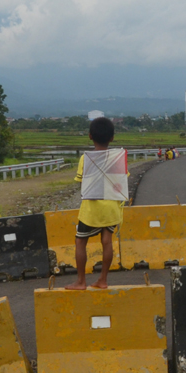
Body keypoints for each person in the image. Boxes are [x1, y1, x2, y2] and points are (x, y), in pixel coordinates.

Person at [64, 117, 126, 290]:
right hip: (112, 207)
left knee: (80, 242)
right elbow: (122, 181)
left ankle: (81, 281)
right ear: (112, 138)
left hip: (91, 210)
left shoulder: (86, 158)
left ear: (90, 136)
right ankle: (103, 280)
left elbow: (81, 180)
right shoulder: (118, 158)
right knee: (107, 241)